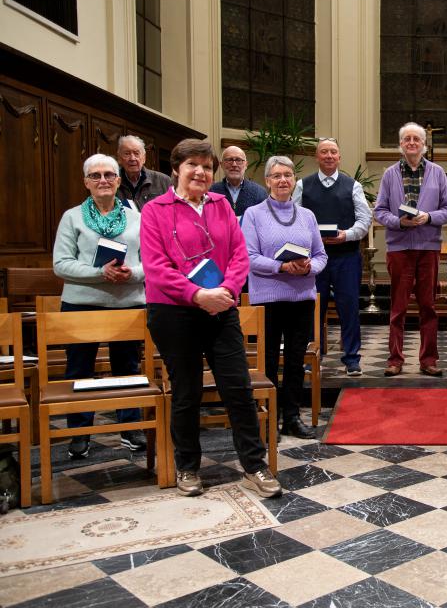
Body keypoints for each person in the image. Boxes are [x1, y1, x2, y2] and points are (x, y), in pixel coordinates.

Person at [140, 138, 280, 499]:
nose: (200, 172)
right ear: (176, 169)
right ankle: (188, 467)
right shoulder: (155, 210)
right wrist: (197, 295)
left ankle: (254, 465)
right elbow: (156, 268)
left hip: (221, 309)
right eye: (192, 165)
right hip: (174, 313)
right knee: (186, 392)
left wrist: (226, 292)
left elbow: (239, 255)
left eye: (206, 166)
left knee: (238, 389)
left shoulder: (221, 206)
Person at [53, 153, 148, 459]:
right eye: (95, 175)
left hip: (128, 304)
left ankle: (131, 428)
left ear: (118, 181)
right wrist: (99, 273)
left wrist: (131, 273)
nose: (103, 180)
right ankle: (79, 433)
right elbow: (61, 264)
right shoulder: (72, 217)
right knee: (79, 370)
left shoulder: (137, 218)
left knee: (128, 369)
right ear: (86, 182)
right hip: (82, 305)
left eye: (109, 174)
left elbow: (151, 262)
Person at [244, 156, 326, 439]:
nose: (283, 180)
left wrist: (308, 268)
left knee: (295, 360)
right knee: (268, 360)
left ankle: (292, 417)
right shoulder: (253, 214)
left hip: (301, 297)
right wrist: (281, 266)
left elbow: (321, 255)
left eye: (288, 175)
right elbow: (249, 256)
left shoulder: (307, 216)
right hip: (267, 299)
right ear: (267, 181)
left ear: (294, 180)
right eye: (277, 176)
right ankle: (269, 418)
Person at [374, 122, 447, 377]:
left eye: (416, 139)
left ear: (423, 144)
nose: (411, 142)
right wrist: (399, 222)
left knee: (428, 306)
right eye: (406, 139)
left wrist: (427, 217)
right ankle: (395, 360)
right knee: (397, 308)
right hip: (399, 248)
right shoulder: (389, 174)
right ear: (400, 144)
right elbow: (379, 211)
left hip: (428, 247)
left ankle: (428, 359)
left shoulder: (437, 172)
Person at [293, 138, 371, 377]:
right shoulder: (302, 185)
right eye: (324, 152)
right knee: (313, 308)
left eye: (333, 152)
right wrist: (312, 238)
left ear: (339, 157)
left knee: (349, 308)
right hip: (314, 259)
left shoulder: (353, 186)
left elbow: (364, 220)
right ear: (316, 156)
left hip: (346, 257)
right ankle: (311, 357)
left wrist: (346, 235)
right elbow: (293, 218)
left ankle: (352, 358)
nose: (328, 156)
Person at [209, 145, 268, 218]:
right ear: (221, 165)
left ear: (246, 165)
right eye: (229, 160)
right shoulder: (211, 191)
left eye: (239, 160)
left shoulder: (260, 193)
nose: (234, 164)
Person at [116, 135, 172, 211]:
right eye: (127, 153)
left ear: (144, 158)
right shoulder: (111, 181)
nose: (132, 158)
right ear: (119, 158)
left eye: (136, 153)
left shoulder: (164, 181)